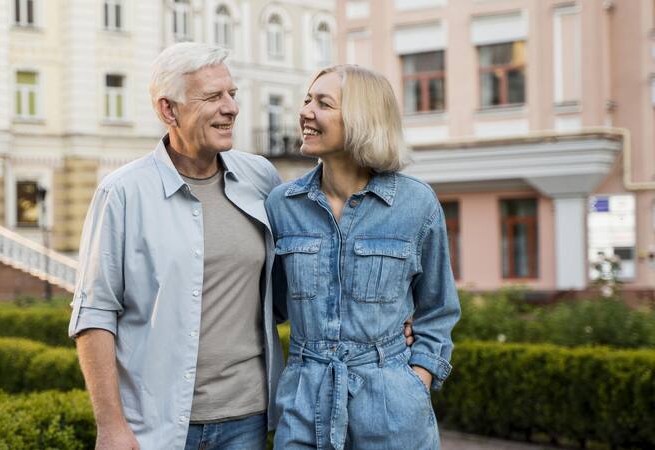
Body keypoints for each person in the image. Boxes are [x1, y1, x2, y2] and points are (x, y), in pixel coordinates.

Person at [68, 42, 285, 450]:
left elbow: (302, 272)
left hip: (248, 421)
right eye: (212, 97)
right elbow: (94, 314)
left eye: (232, 95)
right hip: (158, 427)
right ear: (169, 110)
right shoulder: (122, 193)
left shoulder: (261, 178)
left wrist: (385, 316)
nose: (231, 108)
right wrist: (111, 426)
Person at [265, 65, 460, 450]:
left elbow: (438, 308)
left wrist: (416, 376)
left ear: (361, 117)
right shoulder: (282, 206)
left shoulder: (416, 204)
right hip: (305, 405)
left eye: (323, 104)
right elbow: (268, 305)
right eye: (307, 100)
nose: (306, 112)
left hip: (392, 410)